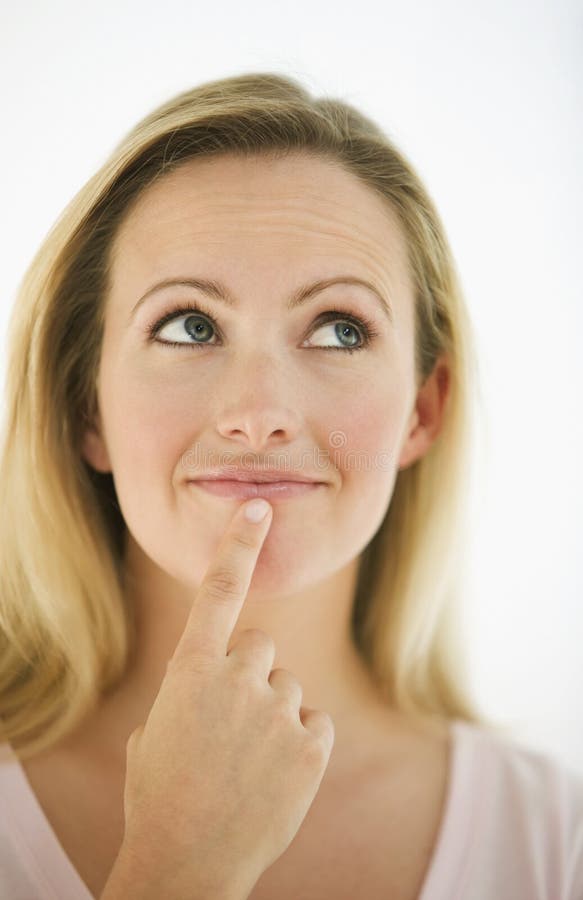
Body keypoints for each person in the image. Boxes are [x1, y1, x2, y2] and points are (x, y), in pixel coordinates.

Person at [0, 71, 581, 900]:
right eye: (189, 325)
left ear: (422, 409)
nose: (260, 412)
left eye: (339, 331)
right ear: (85, 407)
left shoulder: (554, 844)